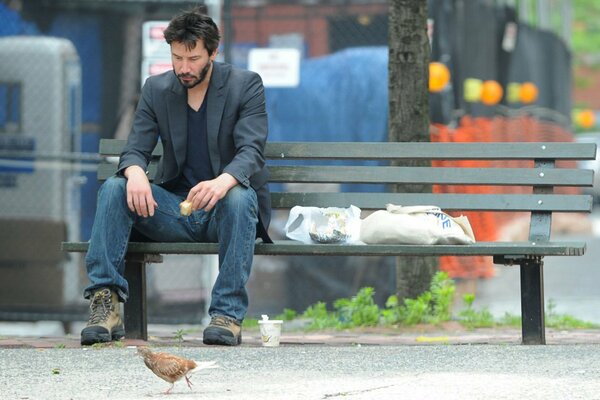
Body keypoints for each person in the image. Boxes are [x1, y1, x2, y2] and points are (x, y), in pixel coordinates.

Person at [81, 8, 271, 346]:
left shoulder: (245, 85)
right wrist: (135, 171)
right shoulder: (157, 89)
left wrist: (222, 181)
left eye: (193, 58)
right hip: (174, 211)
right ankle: (104, 304)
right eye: (177, 57)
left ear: (213, 52)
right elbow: (136, 148)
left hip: (225, 213)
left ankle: (227, 315)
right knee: (114, 187)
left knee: (241, 196)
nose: (184, 67)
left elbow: (251, 152)